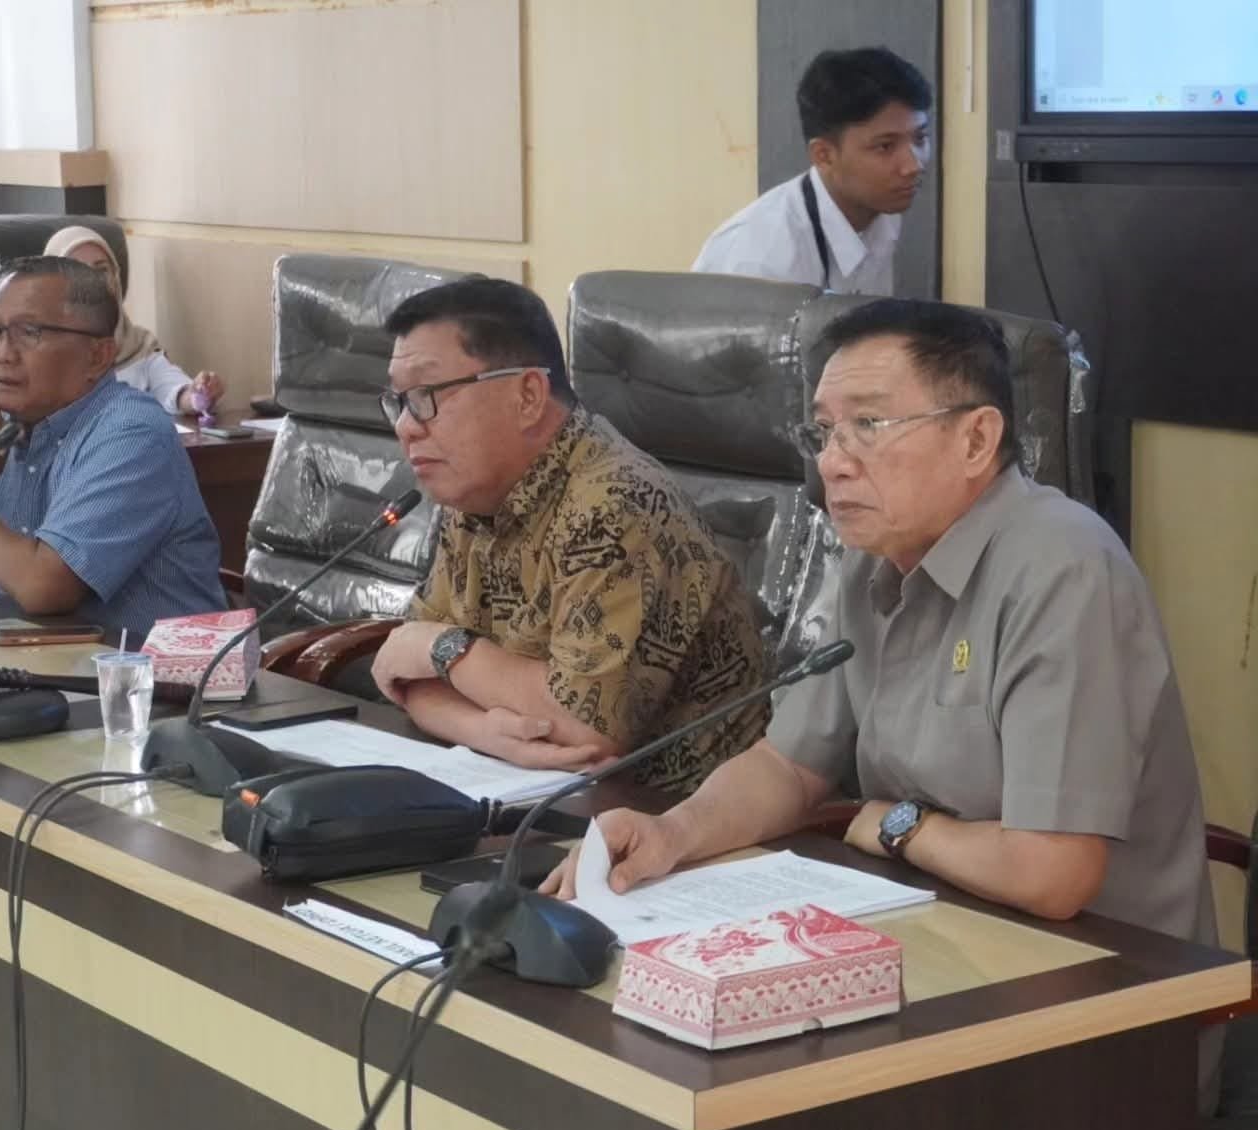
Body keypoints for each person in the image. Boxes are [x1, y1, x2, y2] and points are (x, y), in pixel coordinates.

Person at [542, 298, 1217, 956]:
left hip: (1106, 977)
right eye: (824, 431)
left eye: (868, 424)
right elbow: (789, 766)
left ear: (976, 439)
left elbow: (1052, 873)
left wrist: (900, 826)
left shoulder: (1063, 568)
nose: (832, 461)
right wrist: (673, 832)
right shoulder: (874, 561)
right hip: (933, 928)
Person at [369, 277, 768, 792]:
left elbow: (584, 729)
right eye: (399, 400)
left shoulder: (616, 503)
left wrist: (443, 648)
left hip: (674, 813)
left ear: (528, 396)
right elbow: (404, 677)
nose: (405, 426)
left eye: (426, 395)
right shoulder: (475, 491)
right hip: (533, 790)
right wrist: (485, 732)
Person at [0, 255, 226, 637]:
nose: (1, 353)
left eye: (29, 332)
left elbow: (43, 589)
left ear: (97, 356)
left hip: (144, 671)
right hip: (24, 661)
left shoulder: (132, 434)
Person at [692, 47, 932, 293]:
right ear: (823, 155)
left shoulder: (882, 207)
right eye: (885, 147)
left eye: (920, 138)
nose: (913, 166)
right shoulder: (760, 260)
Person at [0, 226, 225, 417]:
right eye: (78, 271)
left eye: (101, 270)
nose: (93, 281)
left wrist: (198, 394)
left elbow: (176, 391)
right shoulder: (11, 350)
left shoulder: (138, 346)